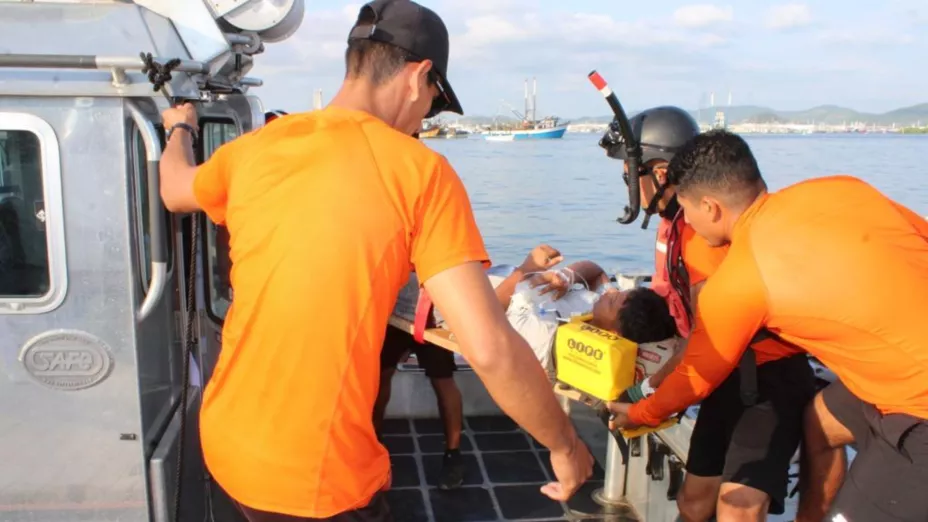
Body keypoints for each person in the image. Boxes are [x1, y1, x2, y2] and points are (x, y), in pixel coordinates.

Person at [155, 0, 593, 520]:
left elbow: (174, 190)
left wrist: (180, 127)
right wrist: (566, 445)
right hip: (317, 476)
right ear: (418, 77)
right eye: (434, 101)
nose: (425, 116)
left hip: (228, 441)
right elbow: (489, 347)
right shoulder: (422, 173)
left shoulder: (254, 148)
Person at [608, 129, 928, 522]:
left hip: (917, 408)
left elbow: (696, 378)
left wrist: (641, 413)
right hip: (885, 379)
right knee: (821, 424)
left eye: (687, 209)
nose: (686, 220)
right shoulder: (842, 189)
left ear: (710, 207)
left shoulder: (741, 279)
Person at [600, 108, 817, 522]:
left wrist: (646, 396)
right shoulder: (676, 224)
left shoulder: (702, 234)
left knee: (738, 508)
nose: (627, 182)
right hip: (724, 378)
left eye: (630, 173)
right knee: (694, 502)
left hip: (767, 381)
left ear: (660, 173)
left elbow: (706, 334)